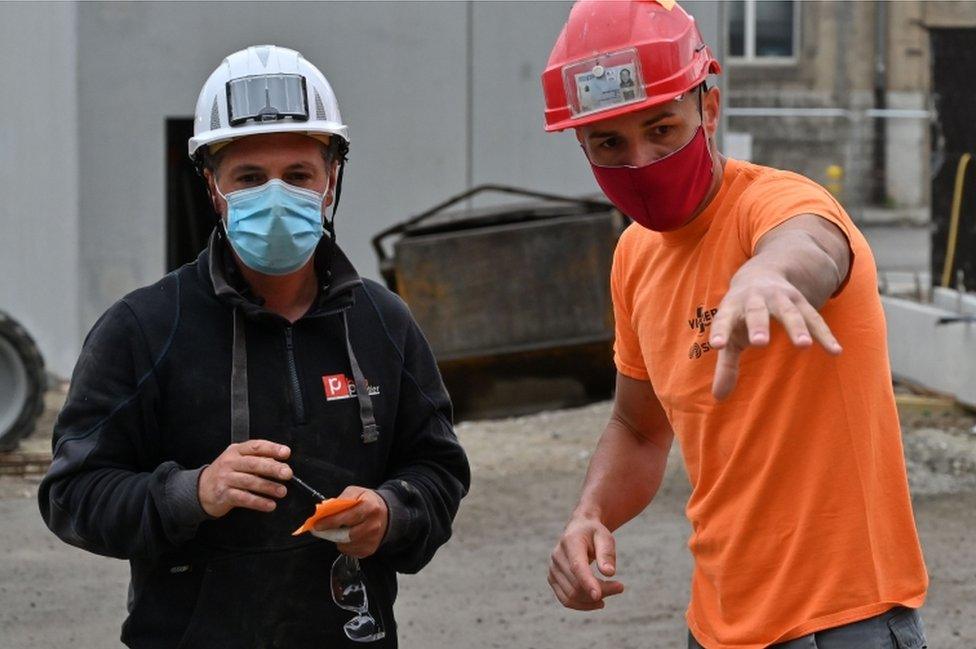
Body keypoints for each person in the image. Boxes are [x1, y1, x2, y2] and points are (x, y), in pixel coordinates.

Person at [38, 44, 469, 648]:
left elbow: (438, 469)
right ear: (214, 188)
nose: (275, 196)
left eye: (298, 175)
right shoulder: (142, 328)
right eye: (248, 177)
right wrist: (192, 492)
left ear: (331, 180)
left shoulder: (382, 322)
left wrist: (392, 512)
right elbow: (72, 495)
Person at [541, 2, 928, 648]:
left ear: (709, 111)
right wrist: (589, 515)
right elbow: (639, 429)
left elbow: (814, 242)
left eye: (662, 128)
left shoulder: (774, 204)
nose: (640, 160)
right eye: (610, 142)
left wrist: (769, 275)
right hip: (719, 626)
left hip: (845, 621)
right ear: (583, 146)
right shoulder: (634, 257)